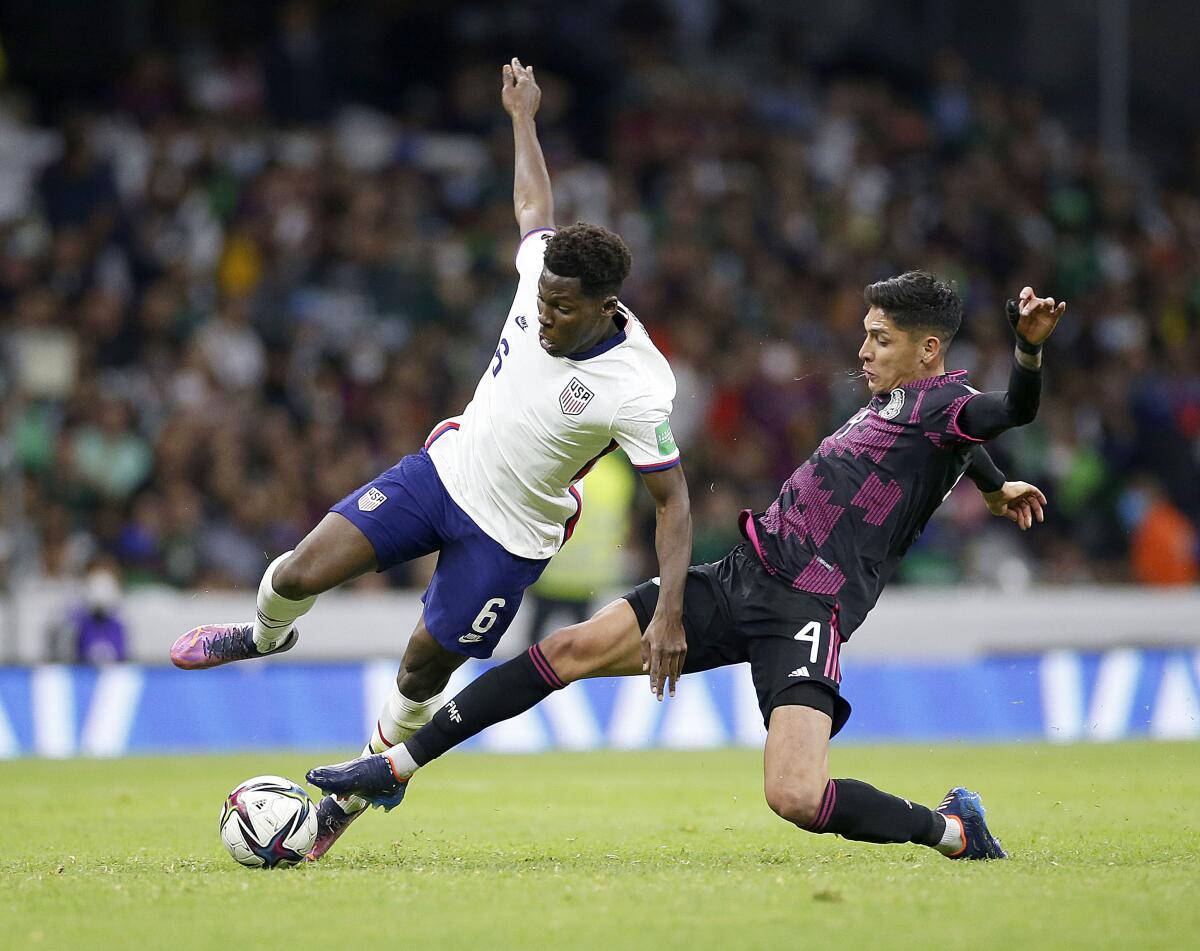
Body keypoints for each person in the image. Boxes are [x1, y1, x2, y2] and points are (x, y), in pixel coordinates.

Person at [308, 274, 1065, 862]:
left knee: (796, 796)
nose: (863, 352)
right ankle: (396, 767)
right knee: (569, 648)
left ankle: (950, 829)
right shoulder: (906, 403)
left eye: (880, 339)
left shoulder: (947, 401)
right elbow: (956, 444)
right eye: (865, 336)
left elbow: (1007, 411)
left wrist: (1027, 348)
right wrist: (996, 487)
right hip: (743, 573)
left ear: (928, 349)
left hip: (808, 609)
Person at [170, 59, 692, 858]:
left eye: (561, 308)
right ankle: (265, 633)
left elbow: (673, 502)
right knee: (305, 567)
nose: (543, 314)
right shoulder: (540, 274)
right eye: (541, 297)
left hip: (512, 535)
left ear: (604, 306)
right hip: (443, 472)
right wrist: (523, 117)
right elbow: (532, 206)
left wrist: (668, 611)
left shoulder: (638, 384)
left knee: (421, 667)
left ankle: (369, 781)